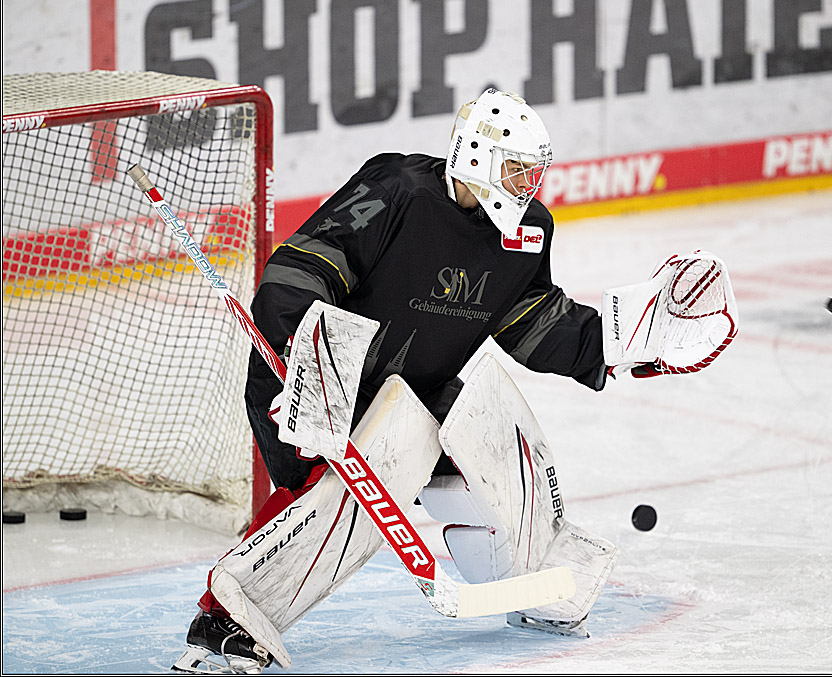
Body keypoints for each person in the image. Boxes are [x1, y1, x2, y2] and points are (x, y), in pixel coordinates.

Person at [175, 88, 609, 672]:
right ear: (475, 157)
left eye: (534, 171)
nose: (528, 184)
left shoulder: (525, 231)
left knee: (496, 437)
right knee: (340, 495)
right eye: (515, 169)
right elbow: (300, 269)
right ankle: (225, 618)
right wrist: (308, 364)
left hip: (416, 389)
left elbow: (533, 321)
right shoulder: (397, 190)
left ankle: (537, 581)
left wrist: (623, 343)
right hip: (315, 379)